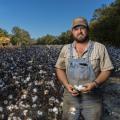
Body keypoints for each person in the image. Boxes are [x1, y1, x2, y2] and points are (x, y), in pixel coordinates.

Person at [55, 17, 114, 120]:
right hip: (70, 97)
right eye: (76, 29)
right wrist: (66, 85)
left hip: (93, 99)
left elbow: (107, 69)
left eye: (83, 28)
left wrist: (94, 84)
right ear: (72, 31)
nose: (80, 31)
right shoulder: (65, 49)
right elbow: (59, 68)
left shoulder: (99, 48)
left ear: (88, 30)